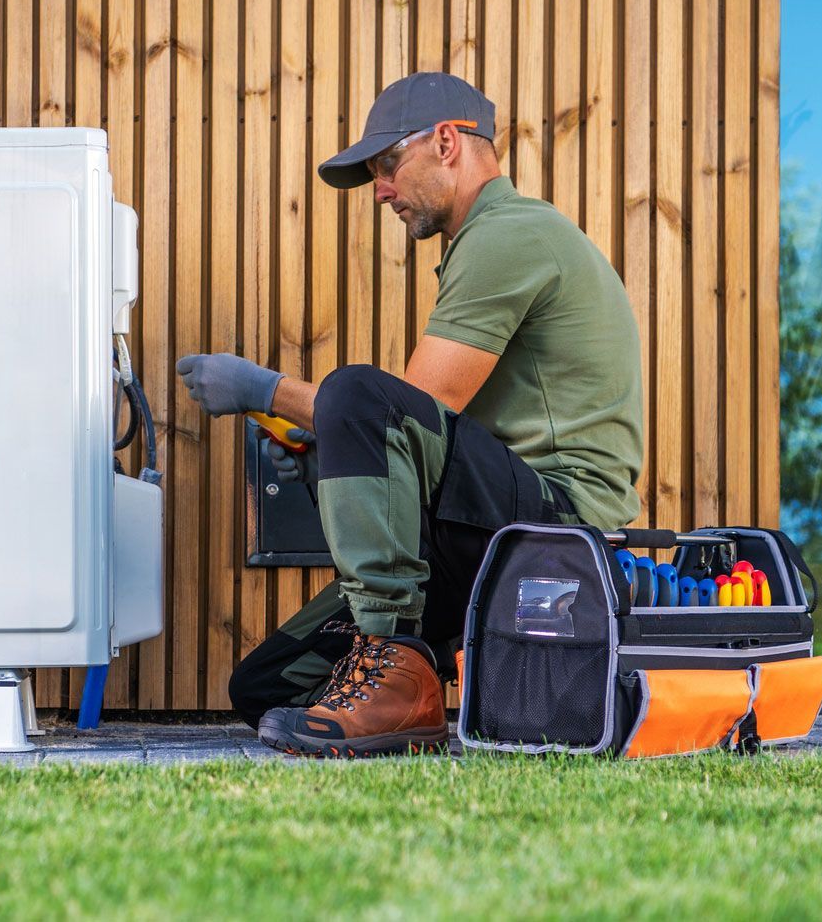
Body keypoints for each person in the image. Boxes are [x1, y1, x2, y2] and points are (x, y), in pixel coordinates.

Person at [175, 72, 644, 757]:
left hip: (559, 526)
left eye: (389, 166)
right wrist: (323, 441)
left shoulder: (508, 235)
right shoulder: (485, 242)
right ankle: (399, 675)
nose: (382, 190)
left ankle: (396, 664)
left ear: (448, 142)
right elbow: (422, 438)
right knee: (268, 687)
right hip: (489, 525)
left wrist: (263, 389)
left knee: (358, 392)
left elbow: (413, 407)